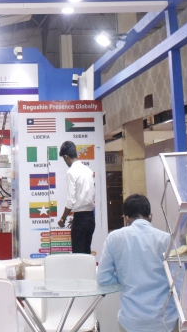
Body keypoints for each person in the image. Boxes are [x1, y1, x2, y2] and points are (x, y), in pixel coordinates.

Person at [97, 194, 179, 332]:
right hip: (166, 321)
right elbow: (178, 279)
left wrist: (123, 279)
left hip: (131, 321)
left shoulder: (114, 238)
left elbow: (103, 279)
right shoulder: (166, 239)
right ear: (150, 216)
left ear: (126, 218)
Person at [57, 141, 96, 254]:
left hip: (80, 220)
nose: (65, 162)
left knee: (78, 255)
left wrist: (63, 218)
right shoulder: (88, 170)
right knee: (86, 252)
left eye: (64, 159)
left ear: (66, 156)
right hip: (90, 218)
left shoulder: (71, 172)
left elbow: (71, 200)